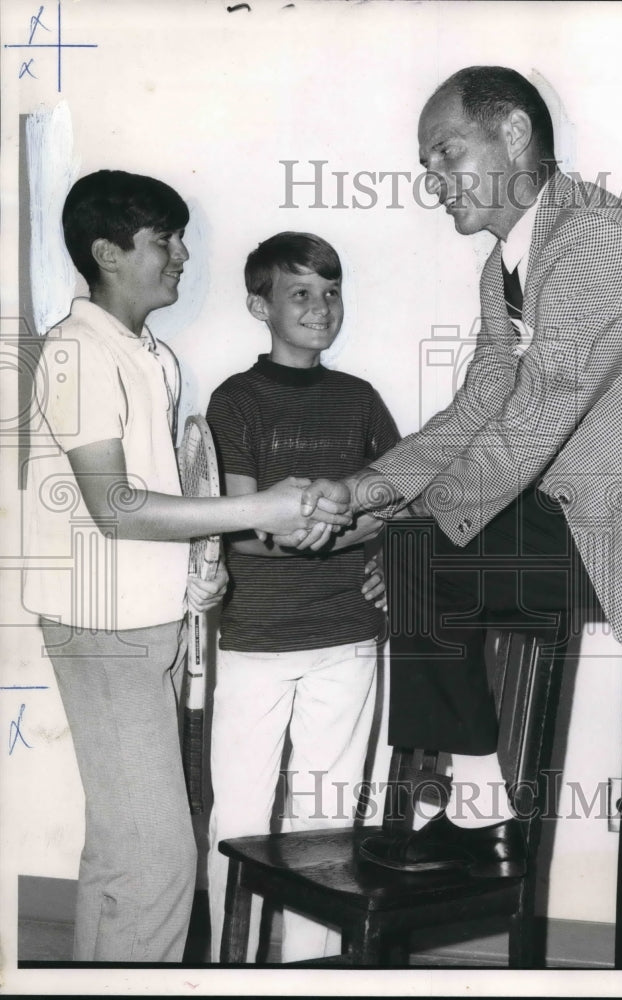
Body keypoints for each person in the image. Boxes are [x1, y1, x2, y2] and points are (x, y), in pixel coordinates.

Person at [297, 66, 622, 970]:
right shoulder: (506, 271)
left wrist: (410, 525)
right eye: (425, 163)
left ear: (513, 132)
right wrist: (367, 499)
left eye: (447, 153)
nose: (433, 180)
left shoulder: (591, 243)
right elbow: (477, 411)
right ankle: (484, 814)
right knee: (422, 550)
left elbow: (526, 429)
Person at [21, 172, 350, 964]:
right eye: (162, 240)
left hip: (149, 621)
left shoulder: (151, 357)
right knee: (161, 862)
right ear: (107, 253)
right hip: (101, 627)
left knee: (122, 850)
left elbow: (156, 508)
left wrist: (196, 572)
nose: (181, 254)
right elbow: (116, 508)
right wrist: (260, 510)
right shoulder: (74, 353)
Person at [204, 231, 400, 964]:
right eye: (300, 294)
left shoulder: (359, 400)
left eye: (330, 291)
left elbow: (397, 500)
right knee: (245, 816)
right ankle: (234, 964)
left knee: (328, 820)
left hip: (346, 637)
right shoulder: (235, 401)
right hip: (257, 639)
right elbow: (238, 527)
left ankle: (315, 968)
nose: (320, 307)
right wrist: (333, 534)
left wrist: (378, 551)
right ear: (260, 306)